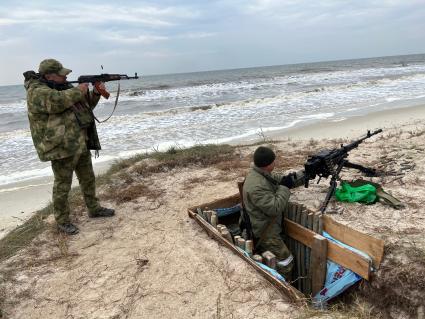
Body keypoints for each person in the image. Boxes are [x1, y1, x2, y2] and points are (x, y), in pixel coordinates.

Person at [24, 59, 115, 235]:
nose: (66, 77)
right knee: (63, 185)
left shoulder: (64, 88)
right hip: (60, 146)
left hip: (79, 141)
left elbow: (85, 107)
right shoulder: (37, 92)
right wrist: (79, 89)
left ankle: (94, 208)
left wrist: (95, 93)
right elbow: (57, 102)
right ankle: (62, 221)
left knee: (88, 178)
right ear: (49, 75)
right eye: (62, 75)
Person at [242, 146, 305, 280]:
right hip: (264, 231)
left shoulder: (260, 173)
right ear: (268, 164)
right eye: (273, 161)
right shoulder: (256, 186)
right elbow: (275, 207)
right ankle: (284, 284)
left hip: (268, 225)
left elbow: (280, 180)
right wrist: (285, 187)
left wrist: (303, 175)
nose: (275, 163)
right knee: (286, 261)